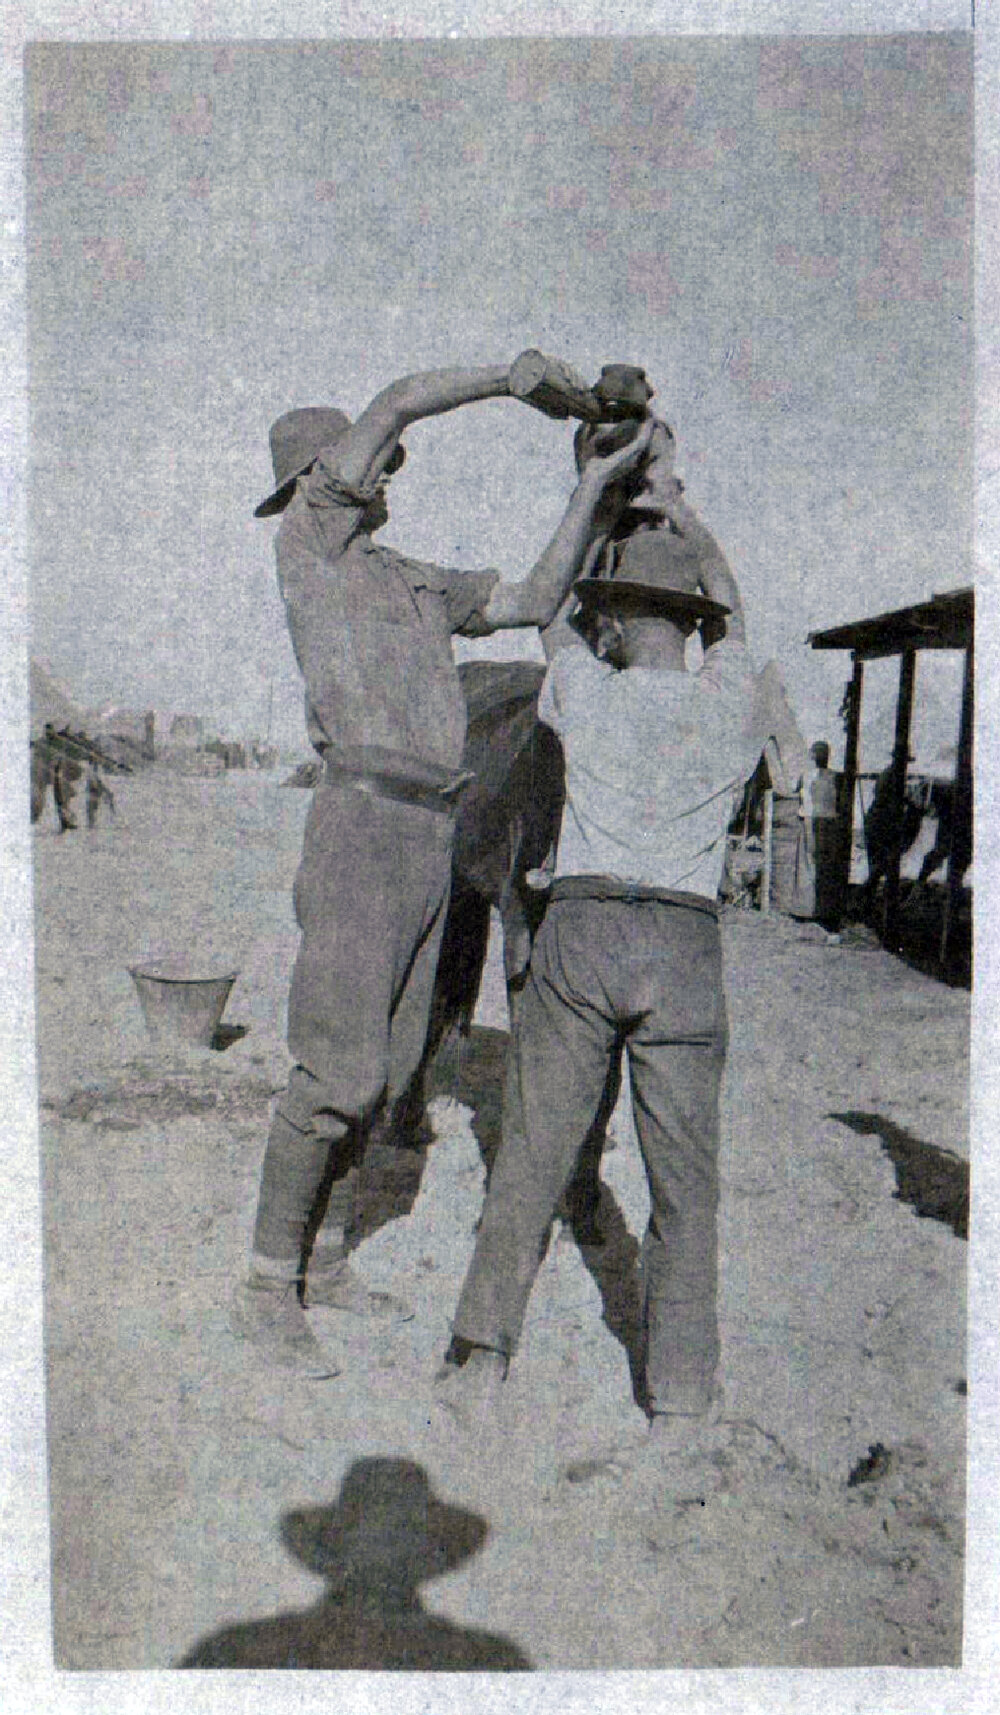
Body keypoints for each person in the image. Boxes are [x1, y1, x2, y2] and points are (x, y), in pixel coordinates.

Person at [232, 361, 655, 1377]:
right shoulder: (311, 547)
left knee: (386, 1071)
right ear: (319, 481)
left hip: (432, 831)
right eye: (369, 461)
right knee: (335, 1071)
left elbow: (537, 596)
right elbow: (395, 403)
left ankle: (326, 1259)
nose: (390, 468)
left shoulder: (411, 579)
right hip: (362, 827)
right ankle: (263, 1289)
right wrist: (509, 378)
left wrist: (593, 484)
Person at [435, 414, 756, 1441]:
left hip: (582, 933)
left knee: (532, 1149)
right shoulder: (735, 699)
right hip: (685, 942)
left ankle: (482, 1357)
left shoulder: (585, 690)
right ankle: (680, 1401)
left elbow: (549, 611)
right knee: (686, 1185)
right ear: (694, 625)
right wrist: (676, 508)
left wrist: (598, 487)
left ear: (614, 621)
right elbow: (735, 608)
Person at [790, 740, 841, 929]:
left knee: (808, 864)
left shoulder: (806, 775)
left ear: (812, 756)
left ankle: (808, 910)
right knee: (824, 865)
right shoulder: (834, 777)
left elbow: (795, 792)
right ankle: (820, 910)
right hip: (826, 822)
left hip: (812, 820)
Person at [85, 762, 116, 829]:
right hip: (93, 788)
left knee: (109, 797)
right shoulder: (90, 768)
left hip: (98, 785)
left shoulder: (99, 767)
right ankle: (91, 823)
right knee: (93, 806)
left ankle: (113, 817)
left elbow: (101, 780)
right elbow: (90, 779)